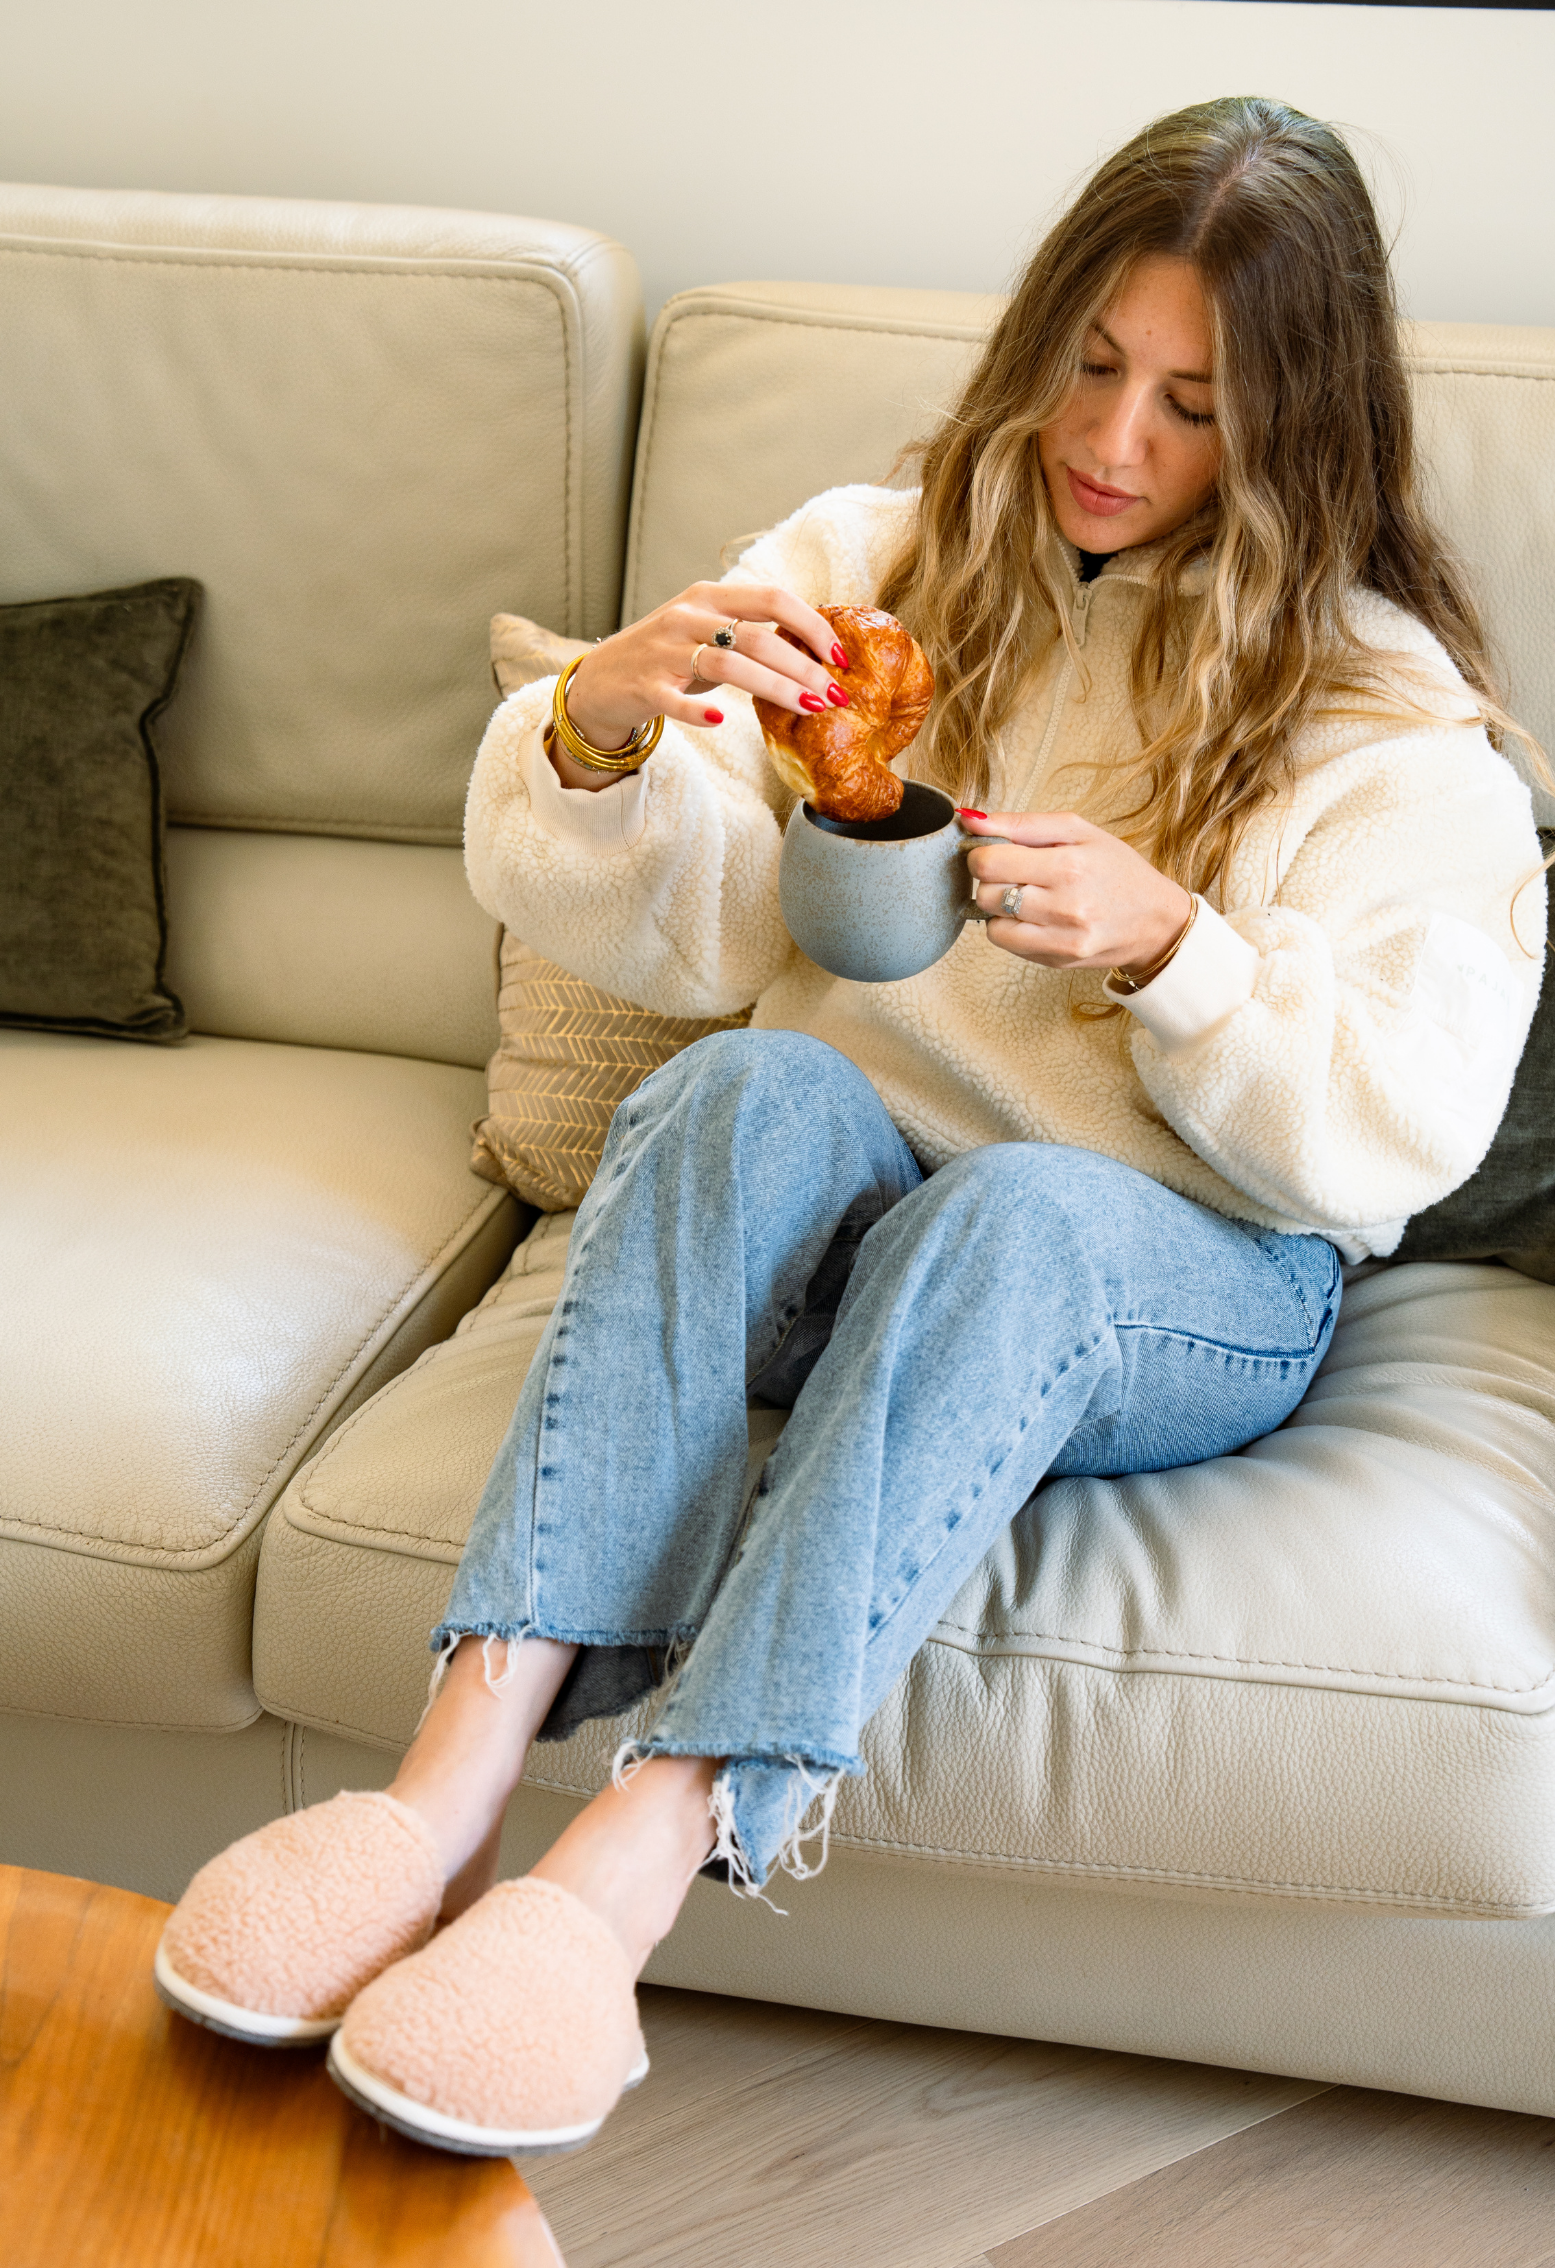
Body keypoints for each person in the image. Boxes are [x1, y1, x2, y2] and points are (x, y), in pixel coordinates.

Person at [156, 95, 1544, 2157]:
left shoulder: (1383, 716)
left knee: (1026, 1224)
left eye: (1191, 403)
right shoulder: (874, 561)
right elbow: (710, 935)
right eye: (1090, 361)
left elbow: (1388, 1136)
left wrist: (1182, 955)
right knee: (742, 1081)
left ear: (1297, 429)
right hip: (855, 1201)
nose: (1113, 442)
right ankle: (434, 1792)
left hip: (1180, 1263)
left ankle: (622, 1872)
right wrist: (610, 729)